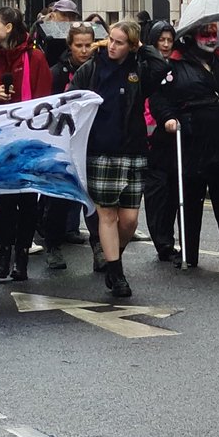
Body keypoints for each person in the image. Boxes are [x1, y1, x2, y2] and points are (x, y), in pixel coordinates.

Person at [150, 21, 219, 272]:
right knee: (190, 200)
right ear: (191, 37)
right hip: (191, 141)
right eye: (205, 34)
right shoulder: (174, 67)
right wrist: (168, 118)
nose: (211, 39)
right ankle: (189, 253)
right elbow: (158, 98)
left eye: (214, 34)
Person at [73, 20, 156, 299]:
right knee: (107, 215)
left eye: (119, 42)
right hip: (101, 150)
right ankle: (117, 272)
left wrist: (144, 49)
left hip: (133, 150)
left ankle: (112, 259)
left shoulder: (139, 68)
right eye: (110, 39)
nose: (112, 45)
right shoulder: (92, 69)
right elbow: (71, 101)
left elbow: (163, 70)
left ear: (132, 46)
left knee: (130, 220)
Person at [0, 8, 51, 281]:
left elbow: (45, 99)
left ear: (10, 27)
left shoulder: (35, 57)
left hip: (26, 143)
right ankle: (3, 253)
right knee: (3, 201)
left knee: (27, 201)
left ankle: (22, 258)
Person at [43, 21, 96, 270]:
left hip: (93, 141)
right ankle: (53, 245)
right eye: (79, 46)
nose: (84, 51)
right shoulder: (56, 73)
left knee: (94, 197)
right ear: (70, 46)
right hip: (64, 142)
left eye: (88, 45)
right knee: (60, 196)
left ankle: (100, 248)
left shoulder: (99, 70)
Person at [141, 21, 181, 261]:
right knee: (157, 194)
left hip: (172, 138)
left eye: (169, 40)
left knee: (174, 194)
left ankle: (170, 241)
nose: (165, 45)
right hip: (149, 141)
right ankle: (162, 243)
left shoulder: (178, 65)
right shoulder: (145, 66)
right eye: (161, 40)